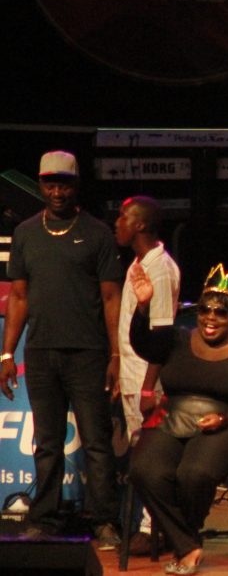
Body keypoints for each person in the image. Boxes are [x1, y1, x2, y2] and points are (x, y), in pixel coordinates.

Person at [0, 150, 123, 549]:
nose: (57, 192)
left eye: (64, 184)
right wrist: (6, 353)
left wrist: (116, 354)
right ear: (40, 184)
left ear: (76, 185)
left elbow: (111, 297)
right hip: (40, 353)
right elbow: (19, 296)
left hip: (88, 353)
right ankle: (45, 518)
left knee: (97, 440)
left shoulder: (97, 233)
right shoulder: (26, 233)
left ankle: (105, 520)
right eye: (50, 184)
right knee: (47, 442)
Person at [127, 263, 228, 575]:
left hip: (224, 426)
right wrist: (142, 308)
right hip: (173, 417)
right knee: (145, 469)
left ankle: (184, 542)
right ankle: (188, 543)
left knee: (193, 474)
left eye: (221, 313)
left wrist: (225, 418)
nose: (210, 318)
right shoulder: (177, 339)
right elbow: (143, 345)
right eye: (205, 310)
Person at [113, 195, 181, 555]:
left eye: (123, 217)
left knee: (150, 457)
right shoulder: (140, 263)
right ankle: (151, 527)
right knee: (139, 454)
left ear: (140, 224)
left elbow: (162, 335)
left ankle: (152, 529)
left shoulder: (160, 269)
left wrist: (147, 386)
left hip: (147, 378)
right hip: (132, 373)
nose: (117, 223)